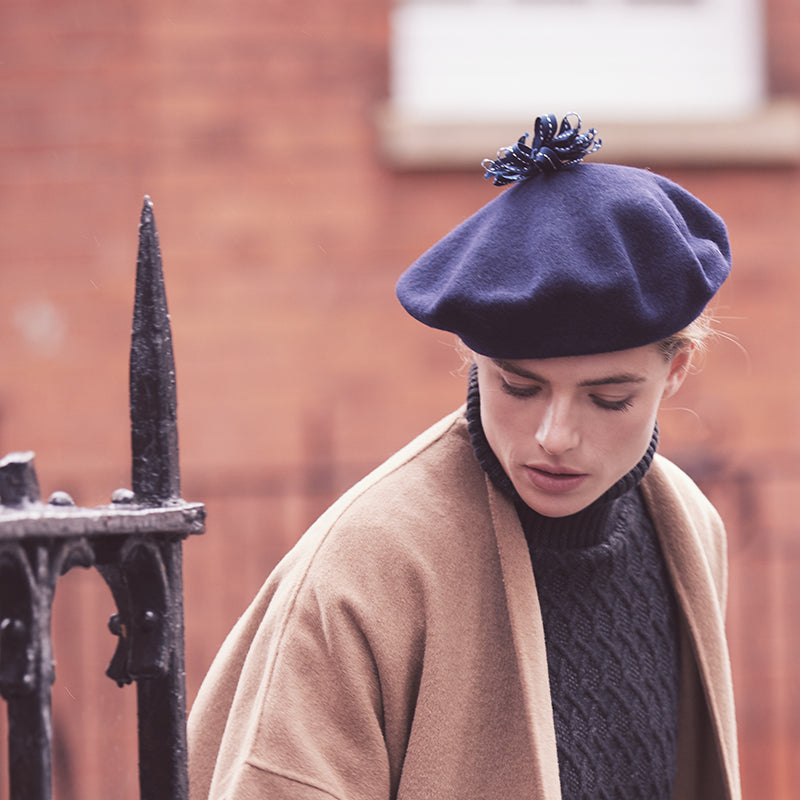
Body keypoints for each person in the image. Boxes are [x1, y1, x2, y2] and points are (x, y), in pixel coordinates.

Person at [187, 113, 741, 799]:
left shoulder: (687, 524)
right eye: (519, 386)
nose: (555, 436)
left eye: (608, 398)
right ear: (475, 362)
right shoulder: (366, 567)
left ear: (676, 370)